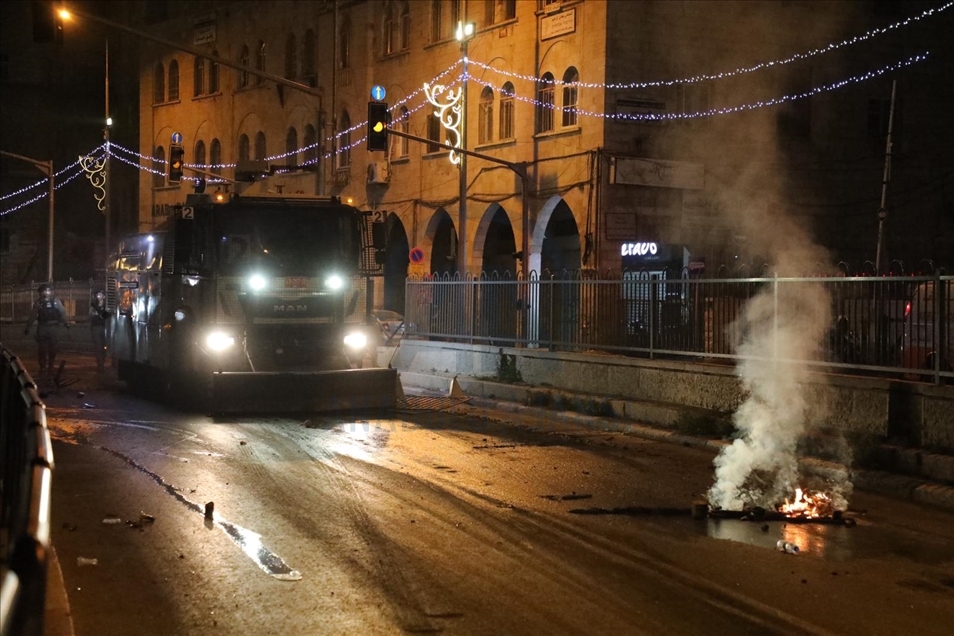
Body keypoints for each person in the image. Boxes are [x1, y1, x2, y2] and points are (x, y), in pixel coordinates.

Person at [24, 283, 70, 373]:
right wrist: (28, 327)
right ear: (41, 292)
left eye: (48, 291)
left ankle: (51, 365)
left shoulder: (56, 301)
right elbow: (33, 315)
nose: (47, 293)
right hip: (42, 327)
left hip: (53, 327)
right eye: (44, 291)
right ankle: (42, 366)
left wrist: (66, 322)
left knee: (53, 348)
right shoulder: (39, 303)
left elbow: (62, 312)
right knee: (42, 348)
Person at [90, 289, 110, 372]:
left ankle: (103, 363)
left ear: (104, 296)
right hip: (96, 327)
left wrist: (100, 313)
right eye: (98, 295)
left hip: (105, 327)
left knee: (104, 347)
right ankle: (100, 365)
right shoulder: (93, 305)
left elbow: (105, 316)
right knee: (98, 346)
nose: (99, 297)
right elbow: (92, 315)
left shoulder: (107, 306)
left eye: (100, 295)